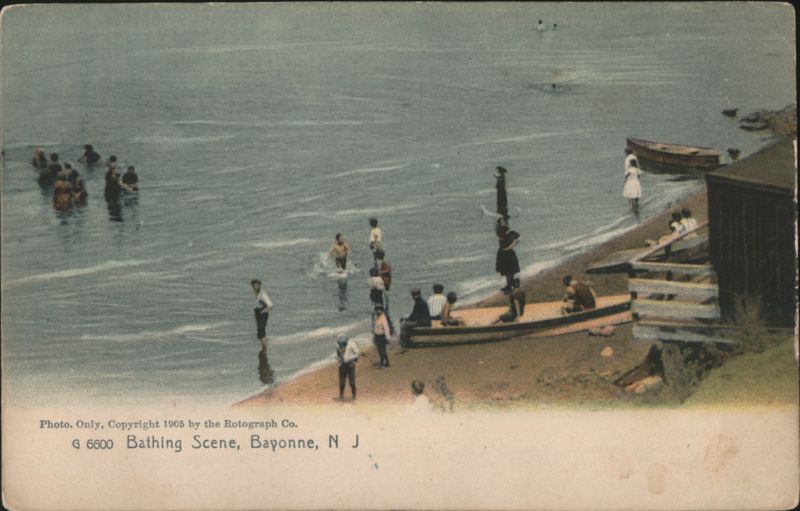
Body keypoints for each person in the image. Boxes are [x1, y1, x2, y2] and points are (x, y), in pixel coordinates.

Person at [495, 224, 520, 292]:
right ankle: (510, 284)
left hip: (507, 254)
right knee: (507, 272)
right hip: (505, 254)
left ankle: (510, 286)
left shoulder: (508, 235)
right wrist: (513, 244)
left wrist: (512, 245)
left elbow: (517, 238)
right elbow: (517, 237)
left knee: (509, 272)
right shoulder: (506, 235)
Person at [250, 279, 273, 354]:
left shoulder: (263, 294)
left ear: (259, 285)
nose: (254, 286)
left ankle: (264, 349)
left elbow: (270, 305)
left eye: (256, 285)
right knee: (260, 332)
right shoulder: (257, 293)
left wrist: (262, 312)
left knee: (262, 333)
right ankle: (263, 348)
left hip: (262, 315)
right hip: (259, 314)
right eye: (253, 285)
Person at [335, 335, 359, 401]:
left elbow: (357, 353)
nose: (342, 345)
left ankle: (354, 397)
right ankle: (341, 396)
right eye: (340, 344)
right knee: (342, 382)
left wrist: (350, 359)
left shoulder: (351, 344)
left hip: (350, 364)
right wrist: (338, 359)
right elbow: (337, 355)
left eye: (343, 344)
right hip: (342, 365)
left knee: (352, 382)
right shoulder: (337, 346)